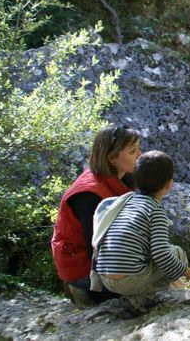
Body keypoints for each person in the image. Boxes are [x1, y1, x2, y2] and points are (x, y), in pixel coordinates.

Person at [95, 150, 190, 300]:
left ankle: (146, 295)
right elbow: (161, 255)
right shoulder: (155, 210)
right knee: (176, 252)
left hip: (105, 277)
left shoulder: (126, 201)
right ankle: (175, 297)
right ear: (169, 184)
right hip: (129, 281)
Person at [51, 124, 142, 306]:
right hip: (84, 273)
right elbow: (97, 250)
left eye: (139, 148)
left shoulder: (121, 179)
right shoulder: (90, 194)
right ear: (112, 157)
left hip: (106, 261)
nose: (140, 155)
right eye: (133, 151)